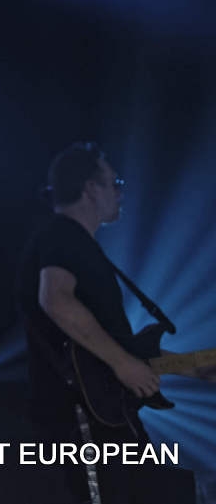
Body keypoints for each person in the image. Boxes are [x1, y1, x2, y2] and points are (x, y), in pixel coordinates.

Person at [17, 142, 214, 502]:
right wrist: (123, 363)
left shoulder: (79, 246)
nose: (121, 193)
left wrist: (196, 366)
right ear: (91, 189)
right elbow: (55, 299)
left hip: (108, 419)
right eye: (115, 183)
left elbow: (117, 351)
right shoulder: (63, 235)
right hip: (83, 422)